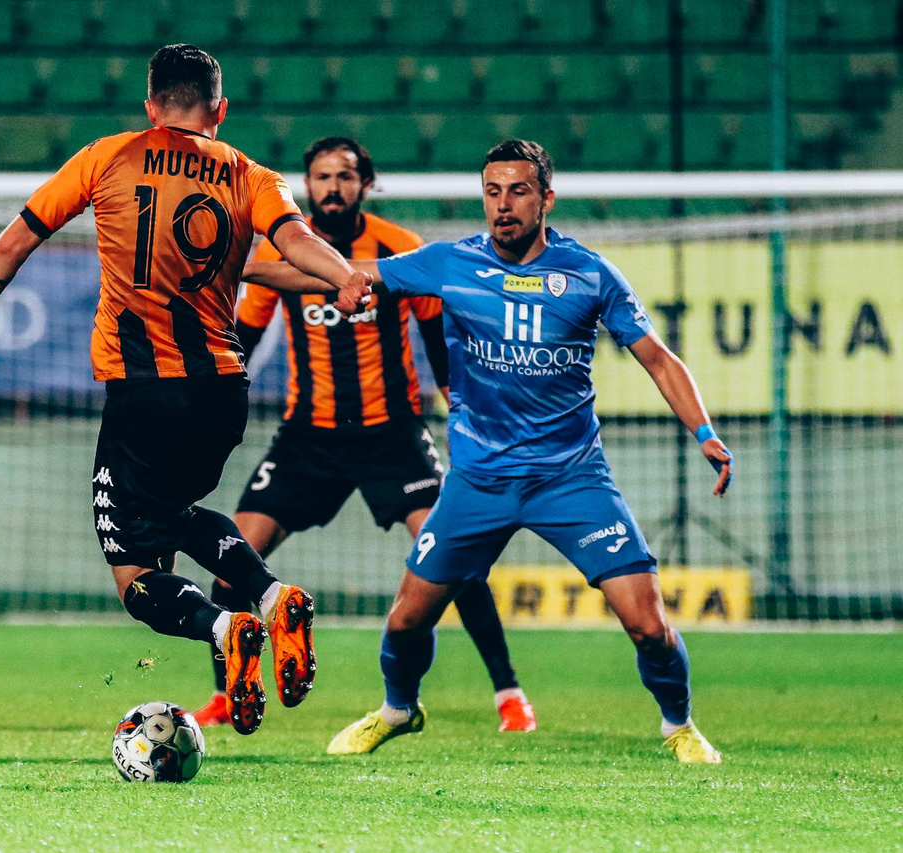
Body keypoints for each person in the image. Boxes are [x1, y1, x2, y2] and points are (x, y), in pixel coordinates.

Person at [244, 139, 734, 763]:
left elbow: (659, 360)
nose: (503, 205)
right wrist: (237, 267)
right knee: (405, 621)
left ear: (546, 198)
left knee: (648, 625)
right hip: (478, 482)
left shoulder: (589, 274)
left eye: (518, 191)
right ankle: (398, 710)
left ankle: (679, 725)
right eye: (493, 191)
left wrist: (704, 433)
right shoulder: (450, 262)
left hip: (571, 479)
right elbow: (342, 273)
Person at [0, 44, 372, 736]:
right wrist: (345, 275)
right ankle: (270, 595)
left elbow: (14, 242)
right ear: (219, 110)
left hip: (143, 391)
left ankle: (225, 626)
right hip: (223, 391)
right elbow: (294, 241)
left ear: (150, 107)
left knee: (135, 573)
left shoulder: (106, 157)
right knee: (177, 511)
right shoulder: (250, 174)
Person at [193, 137, 536, 733]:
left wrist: (465, 417)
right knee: (229, 564)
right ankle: (226, 696)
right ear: (307, 185)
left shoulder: (397, 247)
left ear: (365, 184)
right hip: (308, 437)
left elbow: (439, 346)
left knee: (454, 559)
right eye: (322, 177)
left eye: (345, 176)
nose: (333, 187)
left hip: (391, 435)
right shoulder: (284, 252)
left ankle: (509, 695)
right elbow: (243, 342)